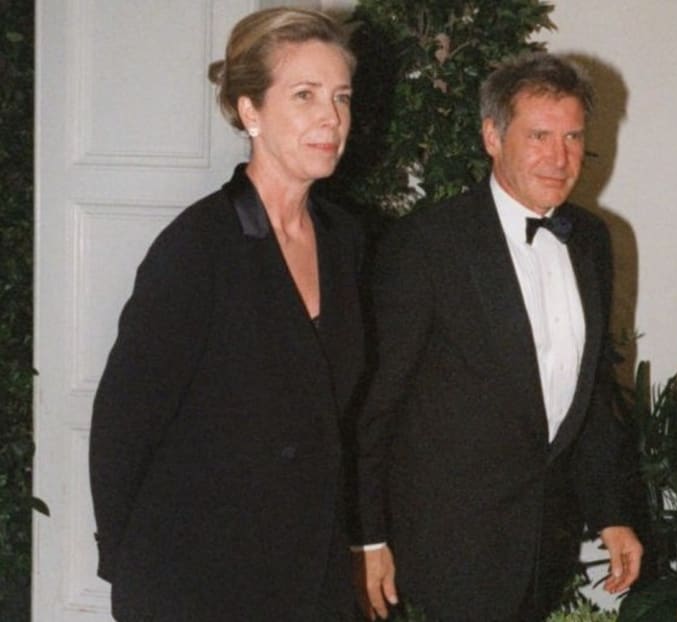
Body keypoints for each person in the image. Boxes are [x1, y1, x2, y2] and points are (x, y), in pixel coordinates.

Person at [89, 8, 363, 621]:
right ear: (250, 112)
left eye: (341, 97)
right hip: (197, 576)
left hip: (309, 573)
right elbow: (122, 427)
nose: (331, 117)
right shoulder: (197, 247)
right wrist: (130, 572)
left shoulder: (346, 242)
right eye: (305, 95)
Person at [351, 53, 643, 621]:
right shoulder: (426, 245)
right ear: (492, 136)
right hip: (443, 549)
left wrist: (612, 512)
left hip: (544, 547)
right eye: (539, 135)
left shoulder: (591, 241)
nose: (559, 158)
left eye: (572, 136)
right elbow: (374, 405)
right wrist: (367, 537)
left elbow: (590, 389)